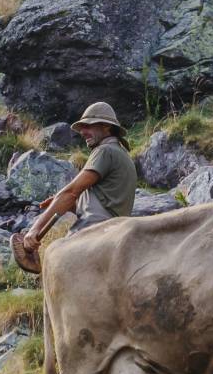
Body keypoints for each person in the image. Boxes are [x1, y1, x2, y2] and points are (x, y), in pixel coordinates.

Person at [12, 102, 138, 273]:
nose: (83, 132)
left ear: (107, 126)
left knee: (55, 261)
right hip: (114, 234)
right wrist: (72, 206)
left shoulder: (104, 151)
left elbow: (71, 192)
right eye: (82, 127)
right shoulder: (121, 154)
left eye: (89, 126)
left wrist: (34, 230)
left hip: (93, 231)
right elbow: (106, 199)